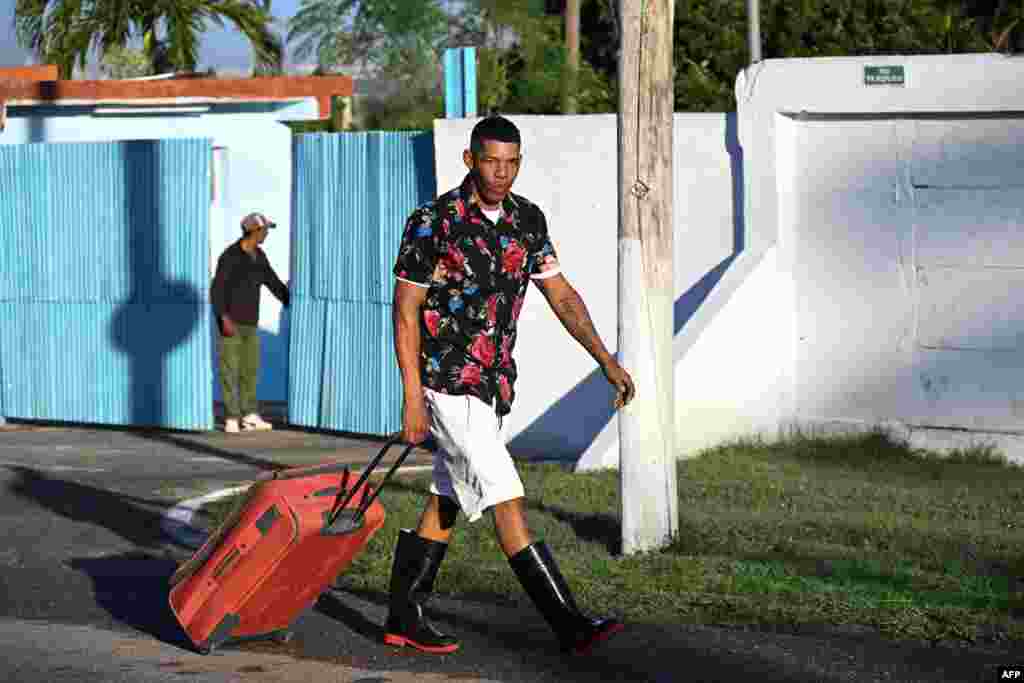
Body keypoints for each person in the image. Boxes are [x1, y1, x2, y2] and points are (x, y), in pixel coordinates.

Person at [385, 115, 636, 656]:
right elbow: (405, 311)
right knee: (506, 496)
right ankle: (569, 625)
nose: (501, 173)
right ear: (470, 160)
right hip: (448, 381)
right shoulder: (433, 222)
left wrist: (605, 360)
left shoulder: (527, 220)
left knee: (448, 496)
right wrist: (412, 398)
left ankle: (403, 615)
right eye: (491, 162)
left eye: (511, 163)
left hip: (493, 384)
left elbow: (561, 295)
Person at [210, 212, 290, 434]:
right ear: (254, 231)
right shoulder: (230, 256)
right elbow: (217, 290)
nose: (266, 234)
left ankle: (248, 415)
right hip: (230, 323)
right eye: (264, 230)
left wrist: (291, 299)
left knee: (250, 370)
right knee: (229, 370)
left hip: (250, 322)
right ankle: (231, 417)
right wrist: (223, 317)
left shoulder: (259, 256)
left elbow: (272, 281)